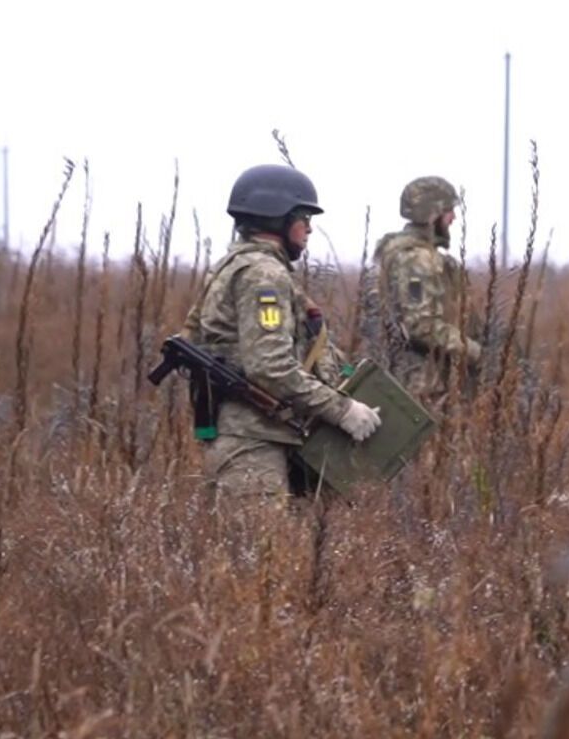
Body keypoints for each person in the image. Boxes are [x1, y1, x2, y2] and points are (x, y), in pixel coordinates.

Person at [184, 164, 381, 499]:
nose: (309, 229)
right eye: (304, 217)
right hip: (253, 444)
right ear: (277, 218)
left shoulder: (235, 267)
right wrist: (341, 410)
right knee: (262, 549)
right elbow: (270, 365)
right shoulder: (264, 275)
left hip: (258, 437)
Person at [375, 175, 484, 405]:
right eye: (448, 210)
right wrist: (476, 353)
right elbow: (420, 325)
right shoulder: (414, 261)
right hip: (422, 388)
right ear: (432, 215)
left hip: (429, 384)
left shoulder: (417, 256)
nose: (453, 217)